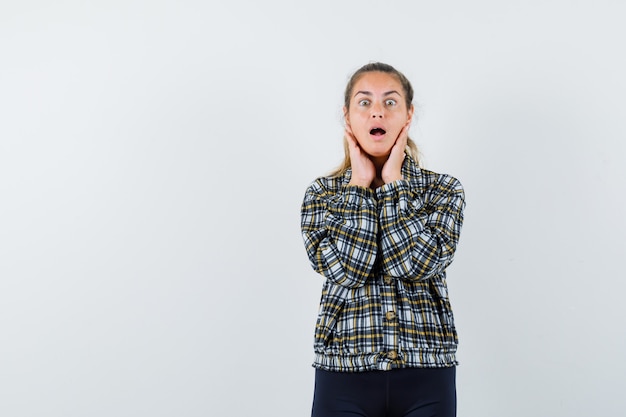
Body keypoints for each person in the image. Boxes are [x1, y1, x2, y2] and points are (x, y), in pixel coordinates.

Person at [300, 62, 466, 417]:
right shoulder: (322, 195)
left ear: (408, 115)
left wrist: (394, 182)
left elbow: (414, 263)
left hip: (427, 371)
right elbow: (347, 271)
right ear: (347, 116)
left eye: (390, 102)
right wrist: (358, 186)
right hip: (342, 373)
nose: (377, 110)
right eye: (365, 102)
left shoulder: (443, 190)